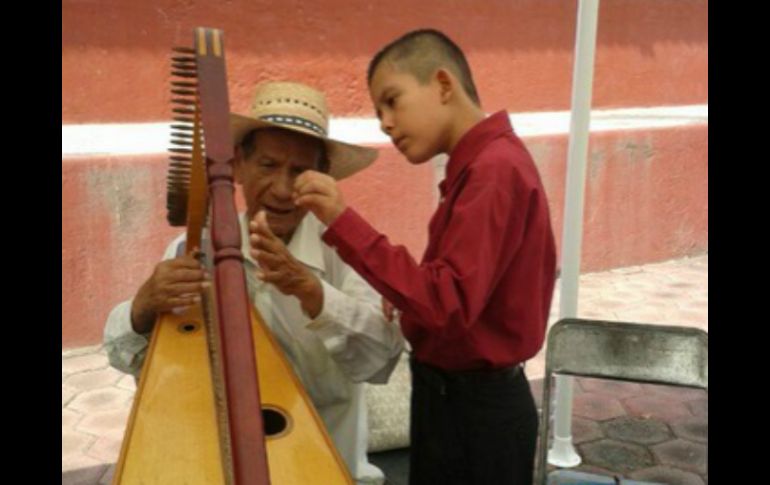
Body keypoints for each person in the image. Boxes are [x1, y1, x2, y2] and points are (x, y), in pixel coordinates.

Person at [104, 81, 405, 485]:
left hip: (324, 468)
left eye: (299, 171)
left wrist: (311, 292)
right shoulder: (196, 249)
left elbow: (381, 360)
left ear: (321, 178)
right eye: (267, 165)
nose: (282, 189)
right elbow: (125, 356)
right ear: (239, 167)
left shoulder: (344, 251)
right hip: (216, 463)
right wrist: (143, 307)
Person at [293, 29, 557, 485]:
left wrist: (341, 219)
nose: (385, 123)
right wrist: (410, 295)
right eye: (379, 112)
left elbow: (445, 303)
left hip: (476, 416)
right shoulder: (478, 168)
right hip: (453, 401)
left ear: (443, 84)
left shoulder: (493, 171)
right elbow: (455, 290)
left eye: (392, 101)